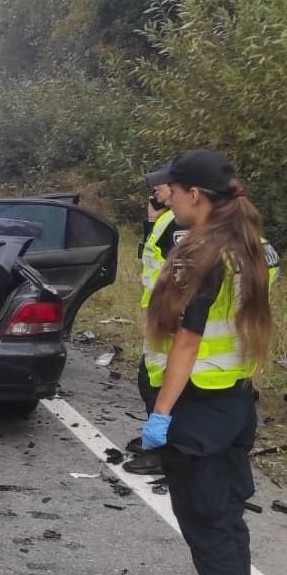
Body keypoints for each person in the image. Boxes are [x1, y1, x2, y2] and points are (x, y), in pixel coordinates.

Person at [142, 149, 278, 575]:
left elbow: (187, 340)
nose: (168, 201)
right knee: (226, 522)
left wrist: (159, 413)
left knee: (208, 531)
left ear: (195, 194)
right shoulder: (256, 248)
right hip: (236, 403)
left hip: (196, 409)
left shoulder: (201, 256)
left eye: (174, 192)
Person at [123, 164, 182, 476]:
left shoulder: (180, 224)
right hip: (159, 314)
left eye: (157, 188)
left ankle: (162, 451)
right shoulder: (167, 220)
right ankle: (156, 440)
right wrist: (151, 219)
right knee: (150, 377)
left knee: (155, 381)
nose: (153, 193)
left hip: (170, 317)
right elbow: (150, 254)